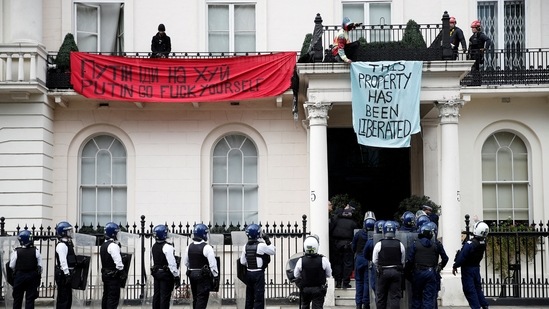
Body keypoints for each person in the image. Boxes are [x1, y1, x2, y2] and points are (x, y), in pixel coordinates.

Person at [406, 223, 448, 309]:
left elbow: (409, 260)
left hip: (418, 272)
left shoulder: (415, 244)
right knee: (428, 298)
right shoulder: (436, 245)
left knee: (417, 297)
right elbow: (445, 258)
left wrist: (407, 274)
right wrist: (439, 267)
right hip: (431, 272)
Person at [452, 221, 490, 309]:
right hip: (476, 268)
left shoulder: (470, 244)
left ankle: (476, 307)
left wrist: (455, 265)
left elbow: (462, 256)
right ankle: (484, 305)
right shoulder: (482, 243)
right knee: (478, 289)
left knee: (469, 290)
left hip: (468, 269)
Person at [240, 224, 276, 309]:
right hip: (258, 273)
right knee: (258, 297)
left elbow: (242, 261)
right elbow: (273, 251)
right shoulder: (261, 246)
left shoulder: (245, 246)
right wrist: (267, 240)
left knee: (249, 296)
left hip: (249, 273)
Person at [183, 223, 219, 309]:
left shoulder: (189, 247)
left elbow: (186, 263)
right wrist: (216, 276)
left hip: (192, 274)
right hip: (203, 276)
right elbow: (213, 264)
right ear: (203, 234)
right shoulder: (207, 247)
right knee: (202, 299)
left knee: (195, 298)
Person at [372, 220, 405, 309]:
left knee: (381, 296)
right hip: (396, 271)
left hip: (383, 272)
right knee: (395, 297)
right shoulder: (400, 244)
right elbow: (402, 261)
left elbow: (374, 260)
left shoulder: (379, 244)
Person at [293, 234, 332, 309]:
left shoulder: (301, 260)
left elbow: (296, 275)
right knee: (317, 306)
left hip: (305, 289)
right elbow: (329, 274)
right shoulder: (323, 260)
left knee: (305, 306)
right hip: (318, 289)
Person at [9, 230, 42, 309]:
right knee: (30, 299)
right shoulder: (36, 251)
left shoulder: (16, 252)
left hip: (19, 276)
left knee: (17, 299)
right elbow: (40, 266)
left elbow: (11, 265)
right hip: (32, 276)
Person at [151, 225, 180, 309]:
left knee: (156, 295)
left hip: (156, 273)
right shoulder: (167, 247)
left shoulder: (153, 246)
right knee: (165, 297)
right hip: (165, 274)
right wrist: (176, 276)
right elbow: (172, 263)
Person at [330, 205, 358, 288]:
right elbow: (355, 235)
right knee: (347, 264)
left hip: (336, 245)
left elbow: (330, 230)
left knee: (337, 264)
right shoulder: (353, 223)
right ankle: (345, 283)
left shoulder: (336, 220)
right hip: (348, 245)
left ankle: (338, 282)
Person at [352, 212, 376, 309]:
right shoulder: (374, 236)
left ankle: (358, 304)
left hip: (359, 258)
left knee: (359, 281)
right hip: (368, 259)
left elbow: (353, 246)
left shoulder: (358, 234)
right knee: (367, 282)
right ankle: (366, 303)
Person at [100, 222, 125, 309]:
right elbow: (118, 263)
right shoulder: (113, 246)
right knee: (113, 298)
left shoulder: (104, 245)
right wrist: (122, 272)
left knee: (106, 296)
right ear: (113, 233)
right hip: (113, 276)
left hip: (105, 274)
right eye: (117, 232)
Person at [55, 221, 76, 309]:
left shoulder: (68, 243)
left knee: (68, 297)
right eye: (68, 231)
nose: (70, 233)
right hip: (63, 274)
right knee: (63, 298)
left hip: (68, 273)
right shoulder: (61, 245)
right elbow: (63, 261)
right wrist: (67, 274)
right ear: (63, 232)